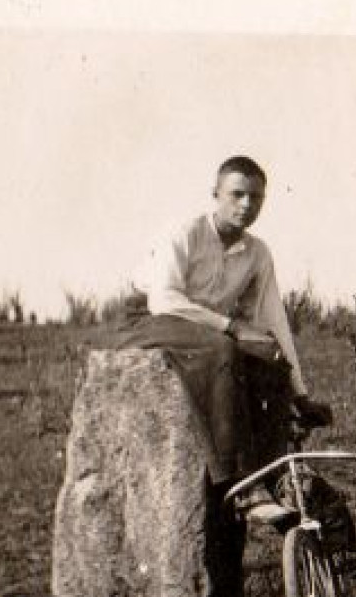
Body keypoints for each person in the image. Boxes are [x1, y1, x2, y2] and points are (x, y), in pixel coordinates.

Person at [120, 155, 331, 485]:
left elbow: (273, 321)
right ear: (216, 194)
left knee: (270, 357)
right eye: (237, 194)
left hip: (200, 327)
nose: (246, 205)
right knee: (222, 350)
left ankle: (277, 474)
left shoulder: (257, 253)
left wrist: (299, 393)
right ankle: (238, 479)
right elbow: (163, 299)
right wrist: (231, 327)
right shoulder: (185, 232)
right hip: (150, 320)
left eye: (256, 197)